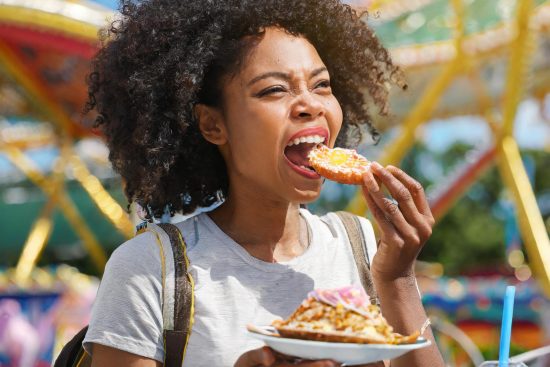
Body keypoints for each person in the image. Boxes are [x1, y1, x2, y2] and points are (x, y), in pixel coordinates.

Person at [82, 0, 445, 366]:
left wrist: (398, 280)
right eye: (274, 90)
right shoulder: (148, 268)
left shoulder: (361, 247)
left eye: (322, 85)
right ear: (212, 124)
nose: (310, 105)